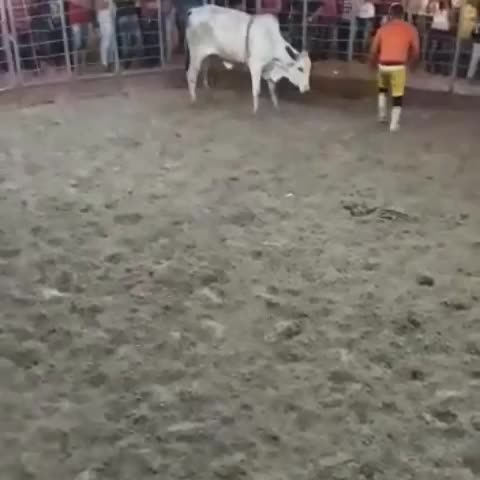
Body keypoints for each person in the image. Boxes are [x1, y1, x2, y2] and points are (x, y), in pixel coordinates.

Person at [369, 2, 420, 132]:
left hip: (383, 64)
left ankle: (382, 115)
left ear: (390, 14)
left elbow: (373, 49)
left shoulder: (383, 29)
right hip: (399, 65)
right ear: (403, 14)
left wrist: (372, 63)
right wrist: (412, 64)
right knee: (398, 95)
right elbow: (416, 51)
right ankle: (394, 124)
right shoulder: (410, 29)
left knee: (382, 90)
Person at [467, 17, 480, 81]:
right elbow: (474, 35)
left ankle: (470, 76)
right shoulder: (477, 26)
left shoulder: (477, 26)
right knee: (474, 60)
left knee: (474, 61)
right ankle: (470, 76)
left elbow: (473, 35)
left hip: (477, 44)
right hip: (477, 44)